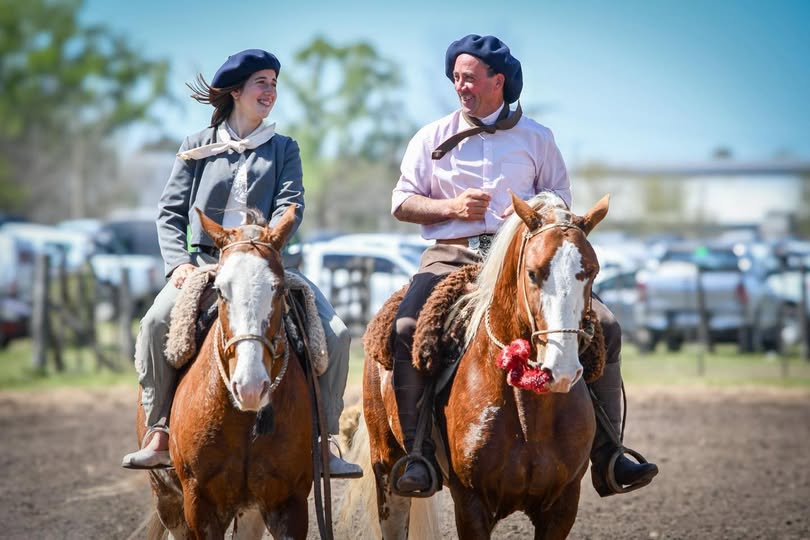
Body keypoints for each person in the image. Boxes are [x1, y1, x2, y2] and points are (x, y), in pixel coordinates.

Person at [390, 34, 658, 495]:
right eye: (456, 78)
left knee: (608, 326)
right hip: (451, 255)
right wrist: (451, 208)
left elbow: (562, 204)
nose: (461, 87)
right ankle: (419, 456)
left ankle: (610, 455)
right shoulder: (430, 136)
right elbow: (401, 203)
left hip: (524, 262)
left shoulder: (538, 137)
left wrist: (538, 213)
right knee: (407, 328)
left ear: (499, 80)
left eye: (470, 78)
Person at [121, 49, 362, 478]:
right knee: (156, 323)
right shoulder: (195, 146)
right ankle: (158, 429)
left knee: (337, 335)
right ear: (237, 92)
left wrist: (271, 236)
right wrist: (178, 263)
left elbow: (291, 203)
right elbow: (170, 212)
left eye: (273, 83)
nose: (270, 91)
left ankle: (324, 442)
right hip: (205, 266)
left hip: (267, 262)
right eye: (261, 83)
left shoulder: (284, 148)